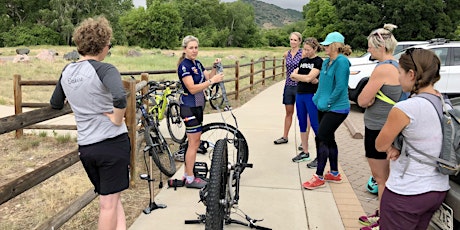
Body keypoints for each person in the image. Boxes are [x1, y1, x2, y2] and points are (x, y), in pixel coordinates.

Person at [49, 16, 130, 230]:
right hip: (111, 143)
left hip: (87, 147)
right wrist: (117, 118)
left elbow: (55, 103)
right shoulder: (105, 69)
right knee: (108, 204)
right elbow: (120, 97)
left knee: (112, 197)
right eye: (108, 46)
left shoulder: (67, 71)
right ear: (103, 46)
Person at [374, 48, 449, 230]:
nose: (398, 78)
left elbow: (380, 144)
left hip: (407, 191)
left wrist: (393, 146)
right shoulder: (444, 103)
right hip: (437, 189)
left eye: (400, 73)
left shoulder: (406, 108)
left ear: (411, 74)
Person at [356, 24, 401, 228]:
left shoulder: (382, 69)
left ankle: (384, 220)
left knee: (380, 178)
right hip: (391, 126)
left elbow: (363, 100)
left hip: (377, 128)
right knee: (386, 176)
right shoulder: (398, 65)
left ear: (380, 47)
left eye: (370, 47)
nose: (368, 51)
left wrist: (369, 98)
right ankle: (384, 213)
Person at [302, 31, 352, 190]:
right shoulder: (326, 62)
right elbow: (322, 83)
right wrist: (317, 99)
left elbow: (341, 87)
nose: (324, 47)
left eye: (327, 44)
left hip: (337, 108)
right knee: (329, 138)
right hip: (322, 106)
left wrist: (329, 102)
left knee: (321, 137)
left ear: (335, 46)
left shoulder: (342, 62)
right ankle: (335, 173)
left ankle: (319, 176)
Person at [177, 35, 224, 189]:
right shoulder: (184, 66)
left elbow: (208, 77)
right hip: (189, 106)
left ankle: (187, 174)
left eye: (196, 47)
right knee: (193, 143)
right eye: (191, 48)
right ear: (185, 49)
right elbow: (192, 88)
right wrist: (212, 82)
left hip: (198, 106)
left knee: (194, 142)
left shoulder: (196, 63)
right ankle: (190, 178)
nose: (194, 50)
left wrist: (215, 68)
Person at [290, 37, 322, 163]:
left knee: (315, 124)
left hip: (312, 95)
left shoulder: (318, 61)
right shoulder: (302, 60)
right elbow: (293, 75)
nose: (306, 52)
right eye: (305, 49)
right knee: (302, 123)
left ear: (314, 49)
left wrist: (302, 77)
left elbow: (309, 78)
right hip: (300, 94)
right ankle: (305, 151)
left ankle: (320, 155)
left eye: (309, 50)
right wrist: (303, 77)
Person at [273, 32, 303, 145]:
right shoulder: (287, 54)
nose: (293, 42)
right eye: (291, 39)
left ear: (300, 41)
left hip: (300, 86)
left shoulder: (303, 54)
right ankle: (285, 136)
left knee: (301, 114)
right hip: (289, 86)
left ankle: (303, 140)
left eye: (295, 40)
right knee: (288, 112)